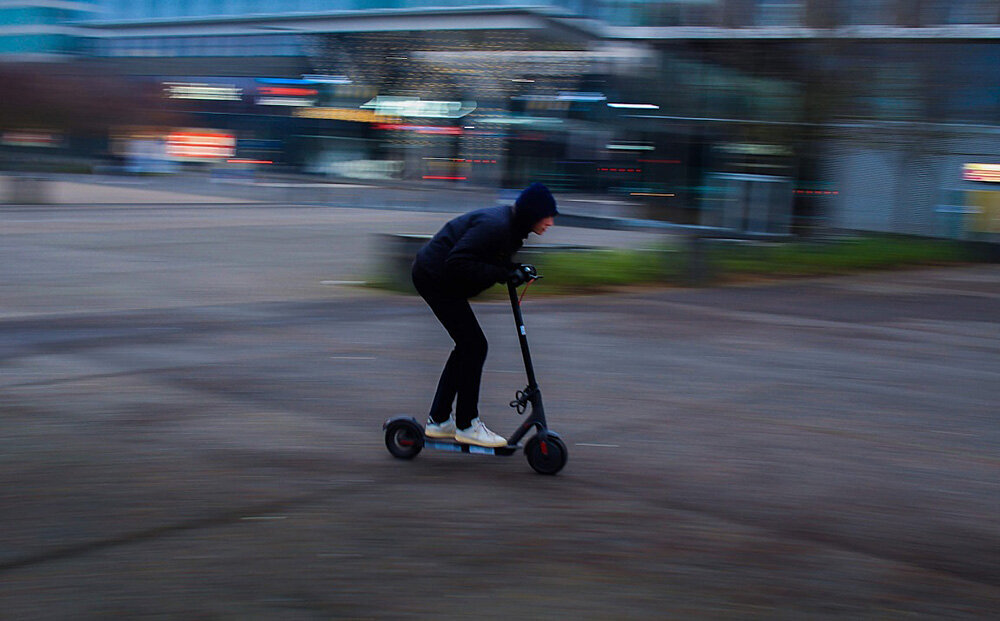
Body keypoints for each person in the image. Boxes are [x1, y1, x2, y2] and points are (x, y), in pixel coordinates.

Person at [410, 182, 558, 447]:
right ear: (533, 213)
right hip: (433, 276)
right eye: (547, 215)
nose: (550, 222)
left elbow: (488, 258)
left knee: (469, 346)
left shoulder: (512, 228)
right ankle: (467, 424)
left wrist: (515, 269)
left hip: (440, 276)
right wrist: (505, 274)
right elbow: (458, 262)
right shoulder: (497, 226)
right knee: (474, 345)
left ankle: (440, 419)